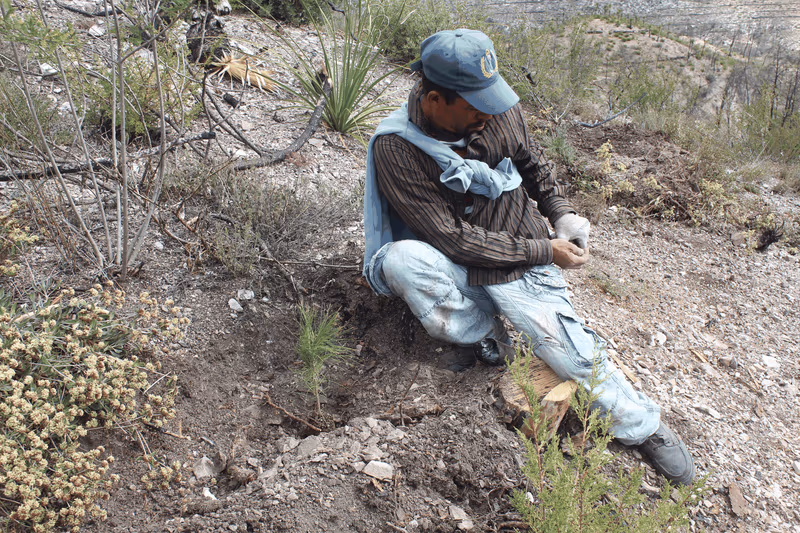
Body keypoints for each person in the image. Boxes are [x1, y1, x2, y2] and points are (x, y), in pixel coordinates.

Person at [362, 29, 695, 485]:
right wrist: (545, 250)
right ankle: (484, 336)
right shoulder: (396, 148)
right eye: (474, 104)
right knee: (401, 261)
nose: (488, 111)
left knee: (569, 355)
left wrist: (562, 215)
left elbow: (532, 162)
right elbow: (450, 237)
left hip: (518, 256)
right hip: (463, 255)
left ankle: (643, 428)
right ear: (435, 99)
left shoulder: (494, 110)